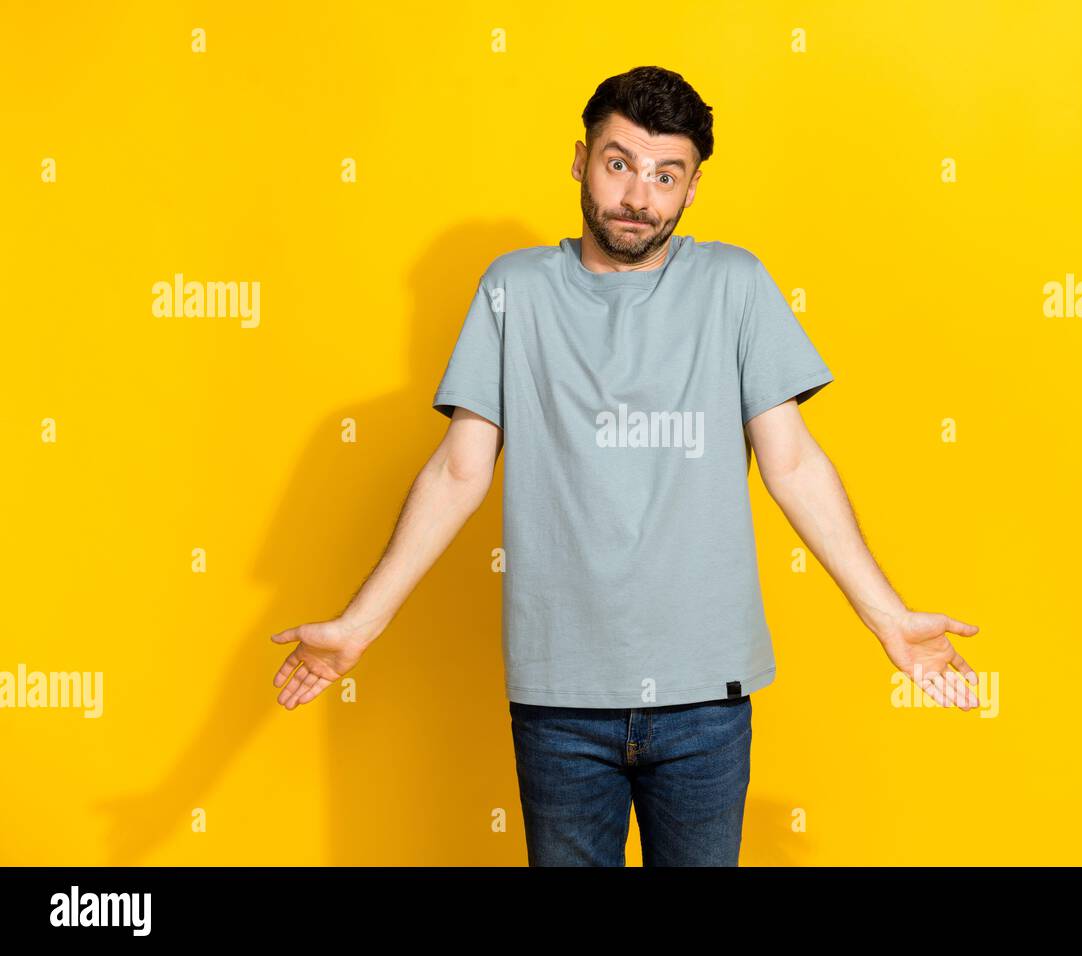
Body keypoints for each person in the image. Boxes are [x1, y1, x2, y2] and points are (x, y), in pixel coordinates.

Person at [269, 65, 981, 866]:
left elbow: (795, 463)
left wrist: (888, 618)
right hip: (559, 700)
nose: (639, 196)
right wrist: (358, 625)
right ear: (580, 159)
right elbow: (458, 472)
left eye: (665, 175)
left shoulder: (735, 285)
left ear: (692, 188)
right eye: (620, 164)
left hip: (706, 700)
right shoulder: (514, 291)